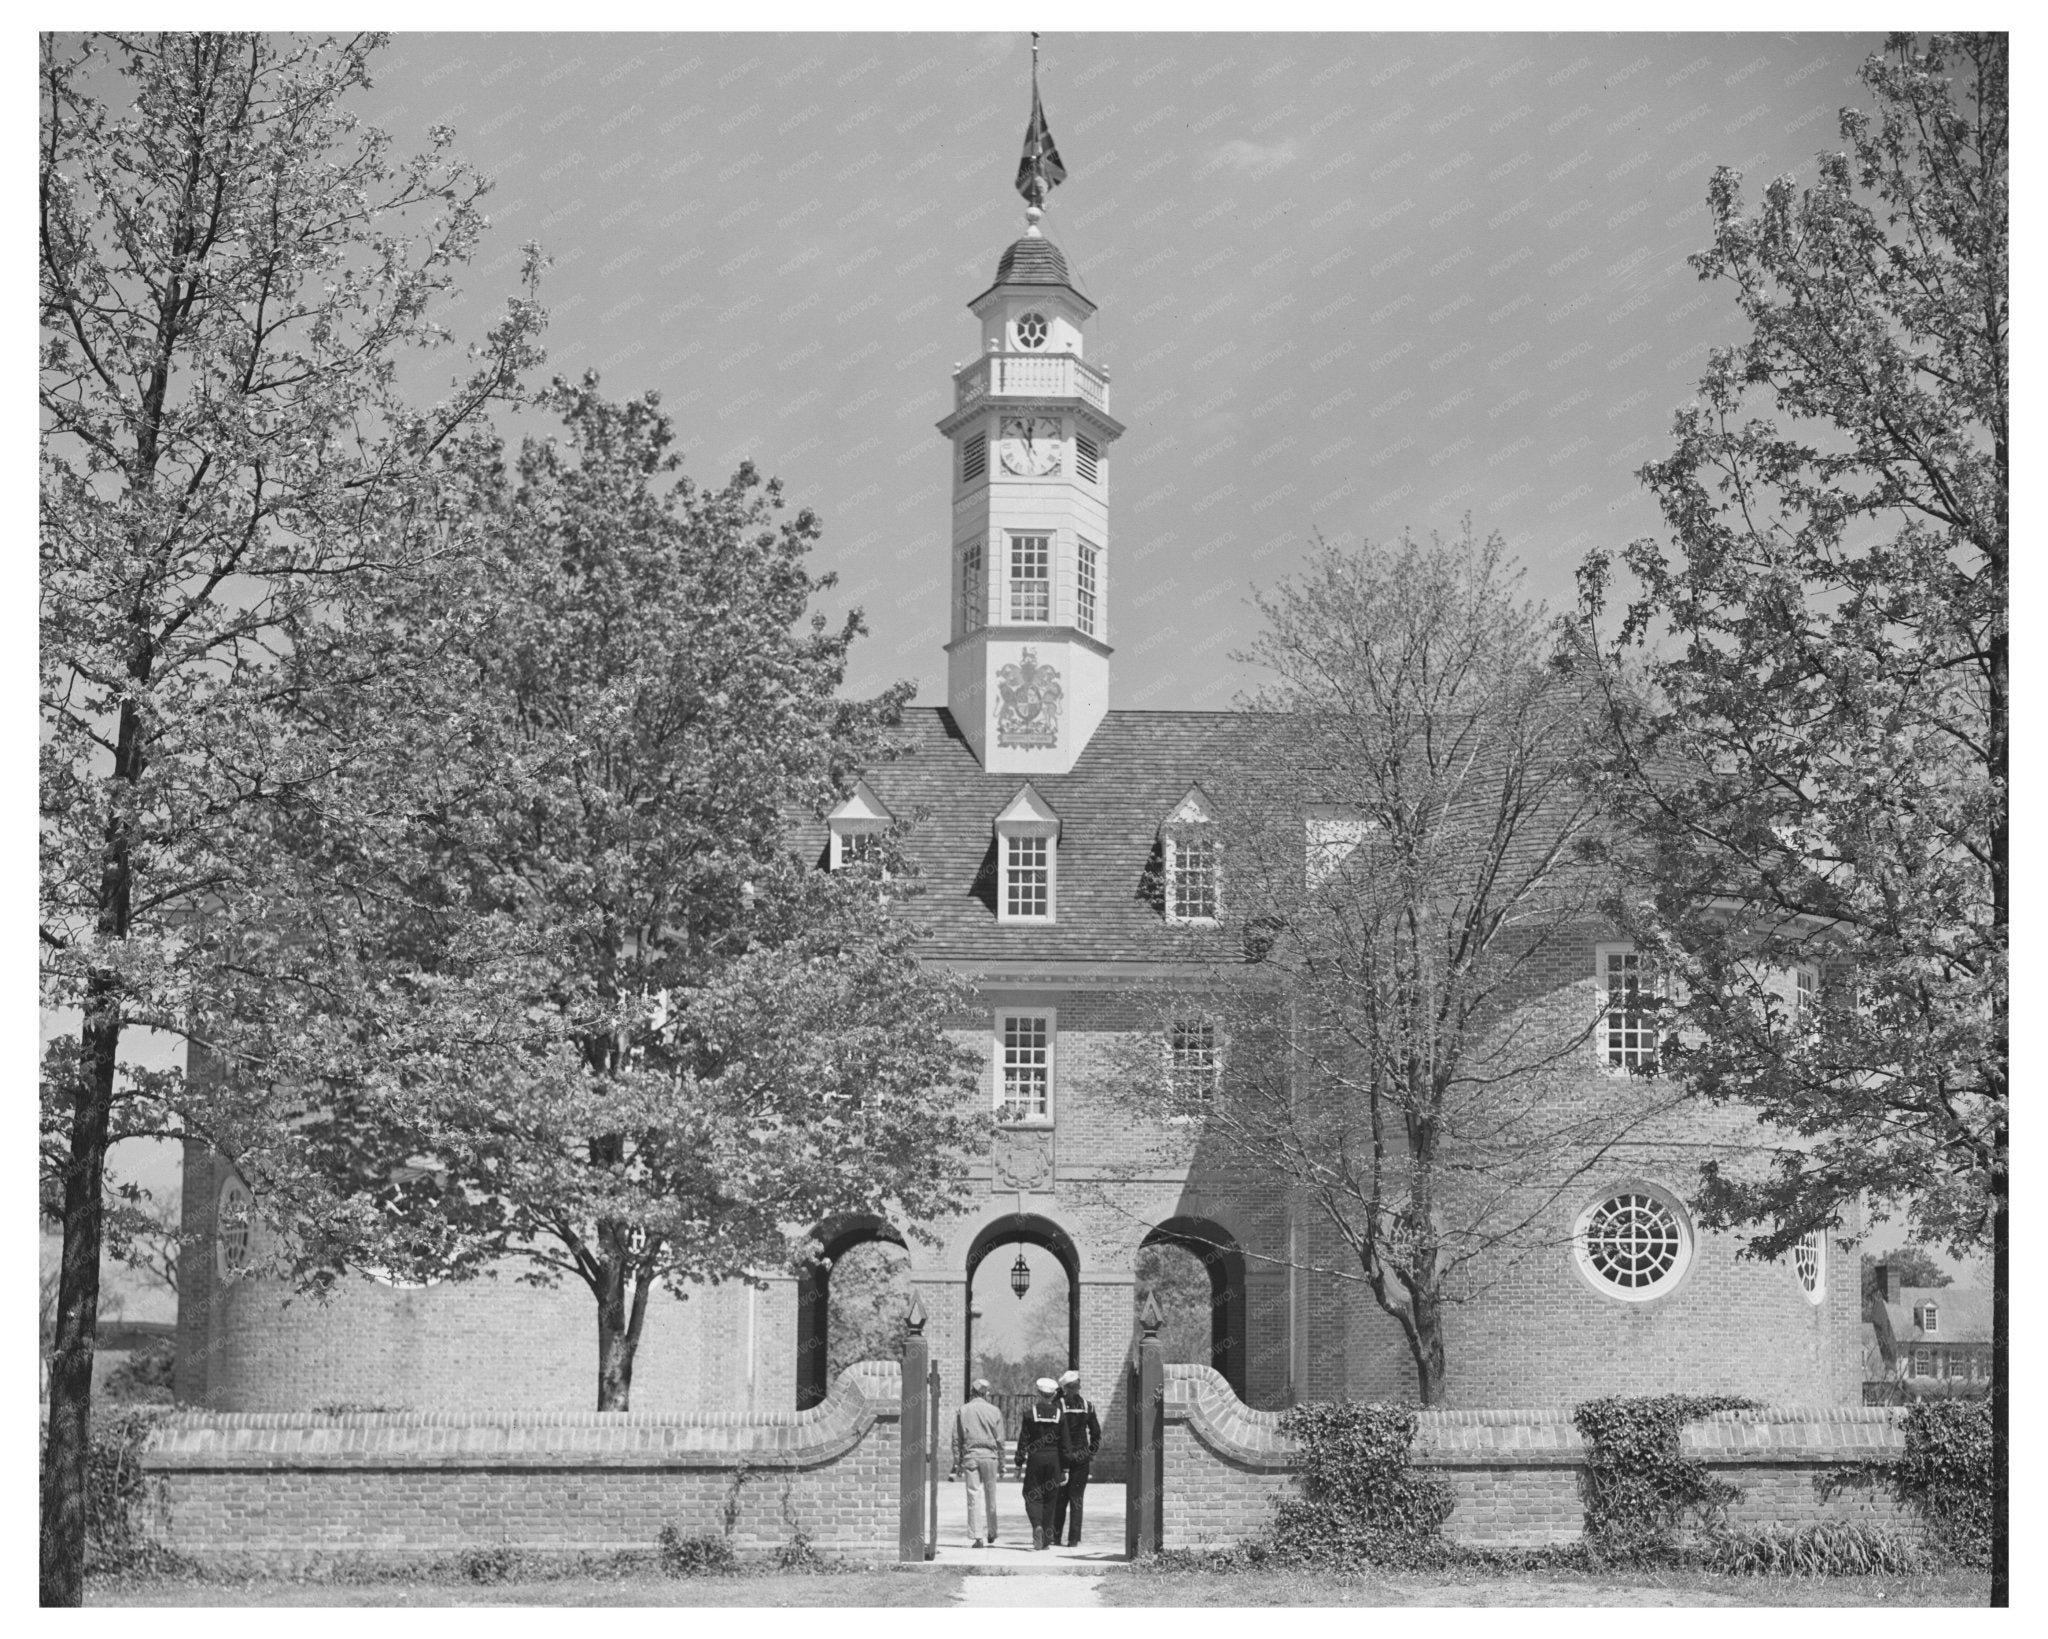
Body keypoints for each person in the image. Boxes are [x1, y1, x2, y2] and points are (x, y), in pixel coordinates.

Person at [952, 1377, 1006, 1548]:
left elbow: (956, 1439)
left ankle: (977, 1536)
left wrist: (957, 1461)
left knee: (973, 1495)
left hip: (971, 1456)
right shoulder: (994, 1411)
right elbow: (1000, 1440)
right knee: (991, 1496)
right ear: (986, 1394)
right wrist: (1002, 1463)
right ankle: (992, 1531)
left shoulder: (963, 1410)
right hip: (990, 1456)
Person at [1050, 1368, 1102, 1547]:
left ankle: (1055, 1536)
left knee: (1060, 1498)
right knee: (1077, 1498)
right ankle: (1073, 1539)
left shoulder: (1058, 1405)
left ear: (1064, 1387)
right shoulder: (1088, 1405)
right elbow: (1096, 1433)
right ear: (1078, 1386)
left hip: (1063, 1456)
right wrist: (1092, 1452)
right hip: (1082, 1456)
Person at [1014, 1375, 1065, 1550]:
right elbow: (1065, 1443)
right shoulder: (1060, 1416)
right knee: (1051, 1498)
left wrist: (1019, 1463)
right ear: (1053, 1395)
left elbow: (1023, 1441)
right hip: (1054, 1459)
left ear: (1038, 1393)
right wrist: (1065, 1468)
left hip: (1035, 1458)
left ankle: (1037, 1525)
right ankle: (1046, 1540)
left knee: (1031, 1494)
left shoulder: (1030, 1414)